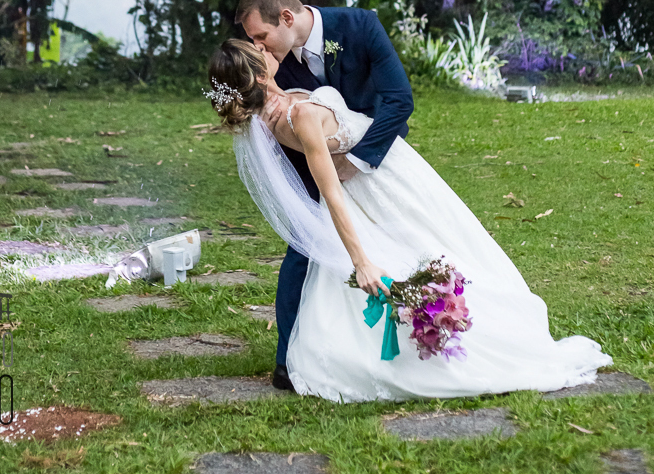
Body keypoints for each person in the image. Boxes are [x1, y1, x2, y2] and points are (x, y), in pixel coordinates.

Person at [206, 35, 610, 402]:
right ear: (259, 79)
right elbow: (329, 191)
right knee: (431, 247)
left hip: (388, 170)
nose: (264, 48)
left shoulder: (271, 114)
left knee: (440, 240)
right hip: (379, 186)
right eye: (257, 51)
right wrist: (361, 262)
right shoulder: (298, 117)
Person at [234, 0, 414, 391]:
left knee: (394, 237)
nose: (259, 48)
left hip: (374, 149)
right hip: (307, 152)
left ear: (286, 17)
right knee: (305, 243)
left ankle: (401, 330)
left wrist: (357, 159)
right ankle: (288, 358)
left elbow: (399, 100)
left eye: (261, 37)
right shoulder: (272, 62)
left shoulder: (360, 27)